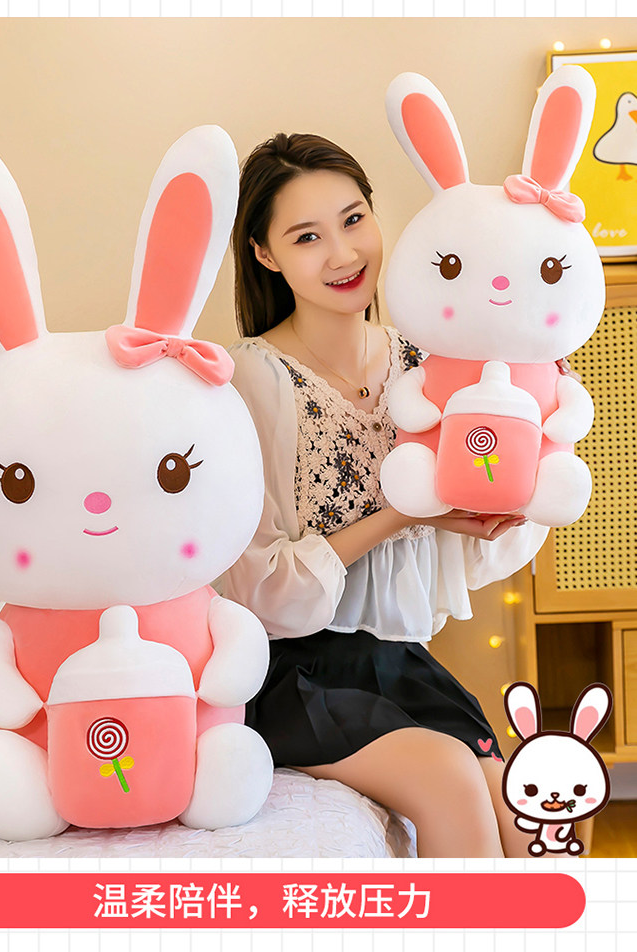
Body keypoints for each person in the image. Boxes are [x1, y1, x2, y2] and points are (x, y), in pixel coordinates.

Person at [221, 132, 549, 858]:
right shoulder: (252, 381)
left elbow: (465, 536)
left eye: (353, 220)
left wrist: (494, 499)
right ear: (265, 254)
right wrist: (404, 512)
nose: (343, 254)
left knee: (530, 810)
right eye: (307, 237)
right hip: (285, 670)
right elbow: (258, 590)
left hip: (394, 661)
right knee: (450, 779)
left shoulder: (423, 360)